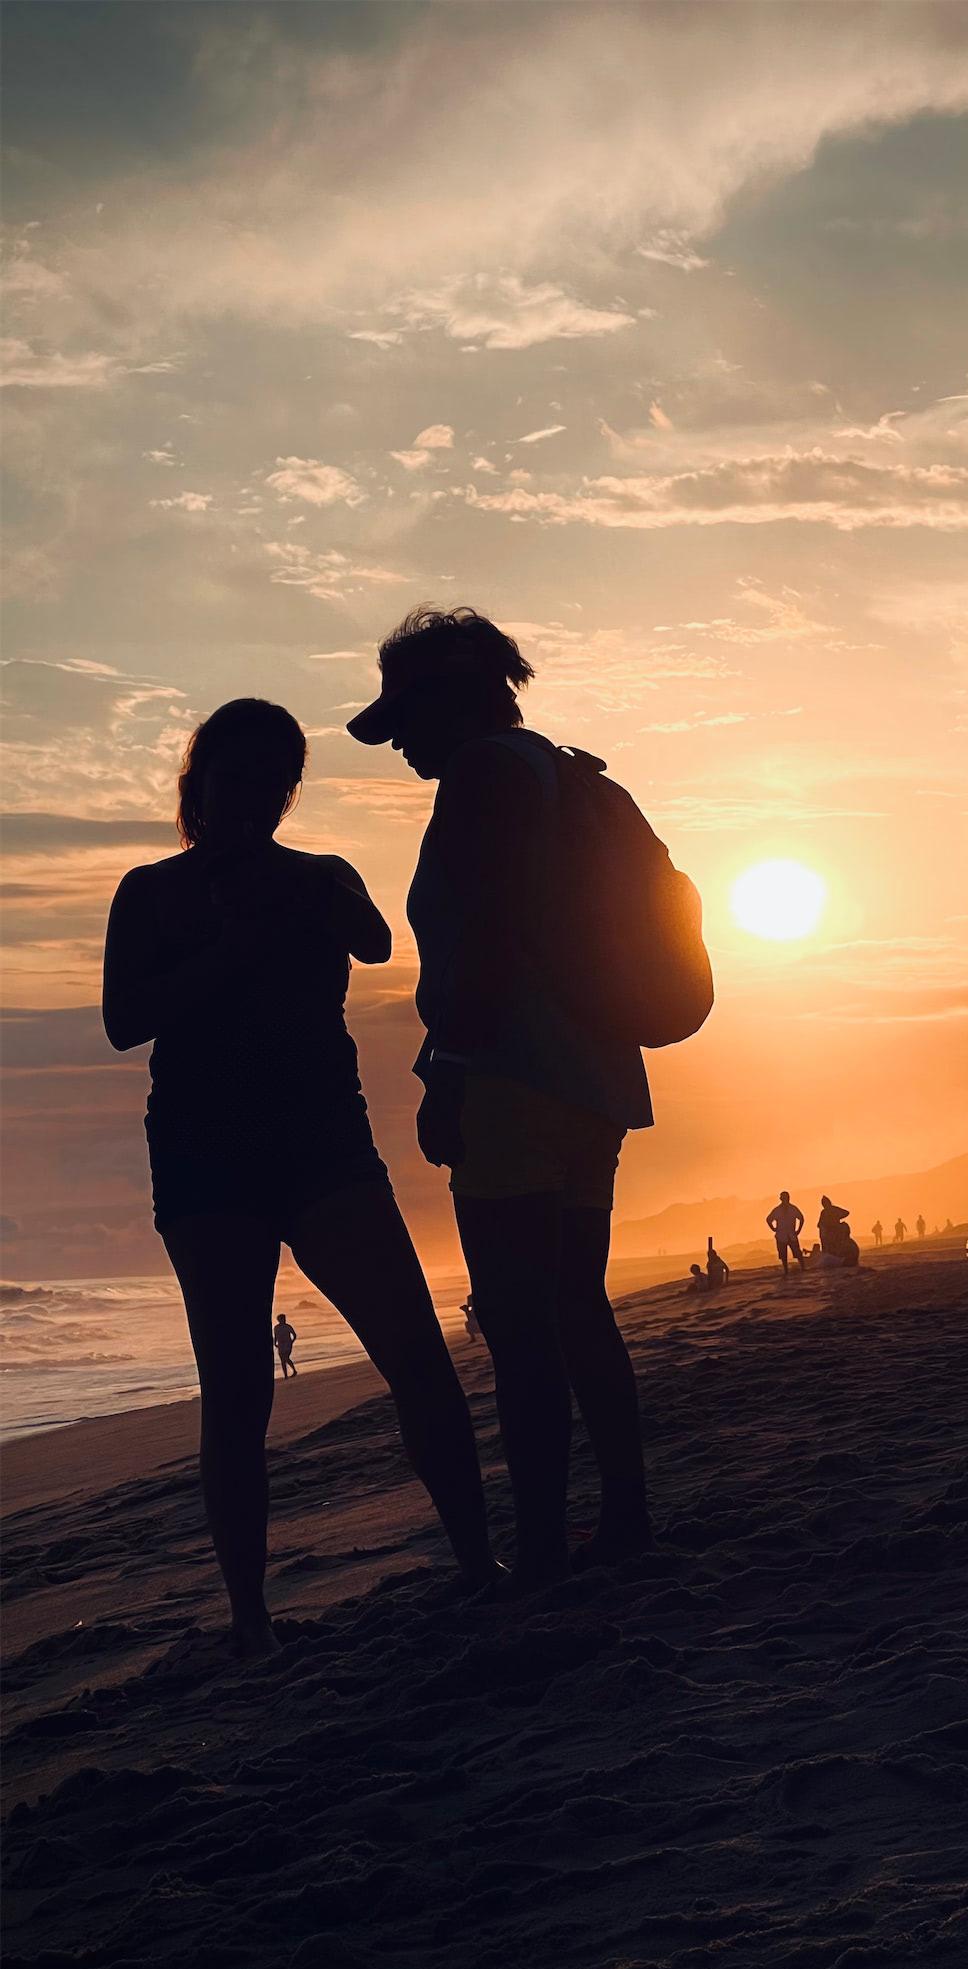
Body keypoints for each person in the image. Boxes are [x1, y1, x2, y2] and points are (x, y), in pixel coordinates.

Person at [103, 699, 498, 1658]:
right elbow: (124, 1019)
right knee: (236, 1392)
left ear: (286, 793)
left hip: (324, 1141)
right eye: (229, 777)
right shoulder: (149, 892)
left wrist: (303, 901)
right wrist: (229, 949)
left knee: (415, 1355)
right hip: (203, 1157)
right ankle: (250, 1621)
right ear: (198, 784)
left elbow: (375, 942)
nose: (248, 797)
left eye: (270, 780)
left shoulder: (319, 875)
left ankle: (480, 1565)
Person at [348, 605, 669, 1587]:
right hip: (598, 1079)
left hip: (511, 1078)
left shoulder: (485, 780)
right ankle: (624, 1516)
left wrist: (447, 1072)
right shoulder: (568, 773)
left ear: (454, 697)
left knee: (521, 1319)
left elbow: (484, 934)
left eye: (405, 716)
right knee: (576, 1306)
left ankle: (537, 1548)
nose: (398, 739)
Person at [766, 1191, 807, 1273]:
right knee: (783, 1255)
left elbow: (801, 1218)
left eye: (786, 1198)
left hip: (791, 1234)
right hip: (781, 1236)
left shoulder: (793, 1209)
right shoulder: (777, 1210)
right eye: (784, 1198)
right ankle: (786, 1271)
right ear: (781, 1199)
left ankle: (803, 1268)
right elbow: (768, 1219)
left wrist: (798, 1230)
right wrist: (773, 1228)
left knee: (797, 1253)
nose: (785, 1199)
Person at [817, 1195, 859, 1267]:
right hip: (835, 1230)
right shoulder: (834, 1209)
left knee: (829, 1245)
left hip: (832, 1231)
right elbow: (846, 1212)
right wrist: (838, 1217)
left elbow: (820, 1224)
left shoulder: (825, 1212)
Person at [272, 1313, 297, 1380]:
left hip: (287, 1345)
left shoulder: (288, 1326)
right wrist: (275, 1343)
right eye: (282, 1319)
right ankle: (285, 1375)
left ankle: (294, 1371)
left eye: (284, 1319)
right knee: (282, 1360)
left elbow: (294, 1335)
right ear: (279, 1320)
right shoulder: (276, 1327)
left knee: (286, 1358)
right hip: (280, 1345)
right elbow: (276, 1336)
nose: (284, 1320)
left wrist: (291, 1342)